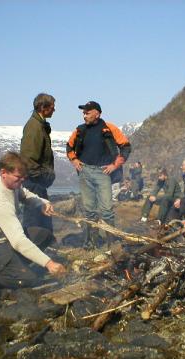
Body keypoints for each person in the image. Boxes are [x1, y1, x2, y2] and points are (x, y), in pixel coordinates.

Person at [0, 152, 66, 289]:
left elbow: (25, 194)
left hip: (5, 240)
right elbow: (18, 241)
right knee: (30, 281)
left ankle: (15, 265)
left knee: (44, 235)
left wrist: (42, 203)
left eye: (24, 178)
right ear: (3, 172)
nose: (21, 181)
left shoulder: (11, 184)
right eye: (18, 178)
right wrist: (49, 263)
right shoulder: (0, 202)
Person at [66, 101, 131, 249]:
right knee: (89, 211)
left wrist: (115, 165)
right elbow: (69, 146)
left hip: (104, 172)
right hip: (85, 171)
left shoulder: (109, 128)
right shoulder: (80, 130)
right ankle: (91, 244)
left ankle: (111, 243)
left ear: (97, 113)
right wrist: (74, 160)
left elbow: (126, 146)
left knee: (107, 210)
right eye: (83, 112)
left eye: (87, 112)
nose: (84, 115)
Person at [20, 93, 56, 232]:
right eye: (52, 107)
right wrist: (45, 176)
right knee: (35, 222)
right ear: (43, 107)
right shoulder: (34, 127)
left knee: (42, 220)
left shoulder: (39, 125)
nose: (54, 110)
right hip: (34, 182)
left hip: (37, 181)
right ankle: (30, 250)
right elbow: (28, 160)